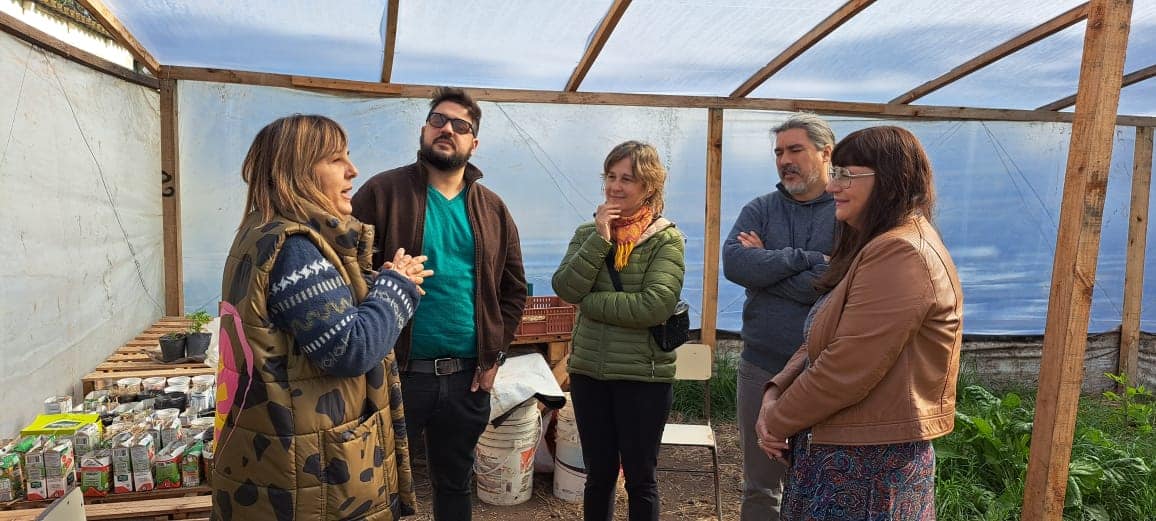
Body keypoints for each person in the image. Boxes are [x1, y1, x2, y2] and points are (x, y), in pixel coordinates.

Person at [213, 114, 432, 520]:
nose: (353, 170)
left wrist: (373, 287)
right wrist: (397, 288)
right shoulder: (297, 249)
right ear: (297, 171)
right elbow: (349, 349)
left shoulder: (260, 232)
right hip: (312, 473)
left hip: (280, 455)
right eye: (336, 159)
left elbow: (309, 320)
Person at [756, 126, 963, 520]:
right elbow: (822, 337)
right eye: (835, 173)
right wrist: (775, 391)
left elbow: (846, 367)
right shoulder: (879, 245)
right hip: (847, 454)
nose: (833, 186)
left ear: (890, 179)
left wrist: (777, 419)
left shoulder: (901, 252)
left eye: (847, 175)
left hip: (868, 465)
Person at [351, 87, 527, 520]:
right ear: (424, 129)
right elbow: (344, 268)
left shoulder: (492, 209)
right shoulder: (382, 192)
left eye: (460, 125)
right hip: (397, 372)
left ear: (473, 143)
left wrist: (494, 355)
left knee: (454, 484)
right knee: (377, 484)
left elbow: (513, 290)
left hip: (467, 377)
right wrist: (379, 283)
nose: (447, 129)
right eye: (438, 120)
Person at [552, 141, 686, 521]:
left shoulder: (665, 239)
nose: (615, 186)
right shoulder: (587, 233)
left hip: (642, 377)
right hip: (589, 373)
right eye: (611, 176)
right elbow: (566, 288)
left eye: (627, 179)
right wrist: (600, 238)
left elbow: (654, 305)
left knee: (641, 479)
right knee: (598, 476)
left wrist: (590, 304)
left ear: (648, 186)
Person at [722, 112, 836, 520]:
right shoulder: (761, 208)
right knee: (760, 485)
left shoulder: (846, 210)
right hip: (761, 365)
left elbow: (834, 283)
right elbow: (735, 264)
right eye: (779, 152)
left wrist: (766, 268)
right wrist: (805, 259)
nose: (785, 160)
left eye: (795, 150)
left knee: (818, 483)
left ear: (826, 152)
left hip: (823, 372)